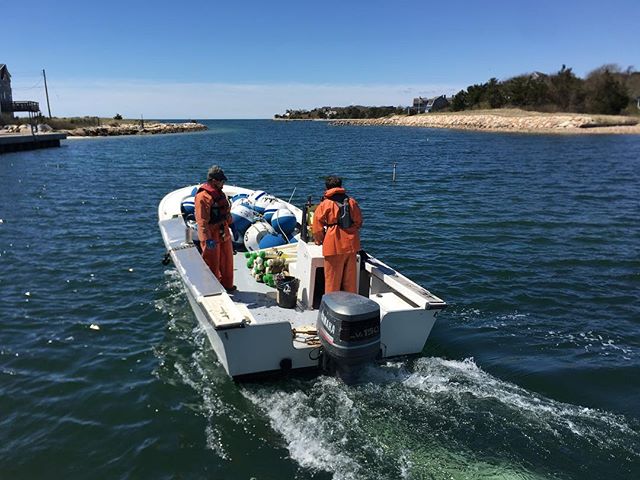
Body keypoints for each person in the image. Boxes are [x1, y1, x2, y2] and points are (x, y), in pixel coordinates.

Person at [312, 175, 363, 294]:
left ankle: (332, 307)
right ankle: (350, 307)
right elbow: (359, 222)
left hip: (333, 246)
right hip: (351, 245)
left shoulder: (325, 204)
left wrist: (319, 240)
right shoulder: (351, 202)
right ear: (340, 186)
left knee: (332, 282)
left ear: (326, 188)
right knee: (350, 281)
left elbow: (317, 228)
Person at [194, 165, 236, 292]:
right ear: (213, 181)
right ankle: (213, 289)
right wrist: (207, 240)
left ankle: (228, 285)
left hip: (223, 231)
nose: (223, 183)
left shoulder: (220, 194)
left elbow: (226, 212)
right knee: (212, 262)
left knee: (227, 260)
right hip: (211, 234)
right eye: (221, 181)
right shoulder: (203, 197)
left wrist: (230, 223)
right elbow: (202, 222)